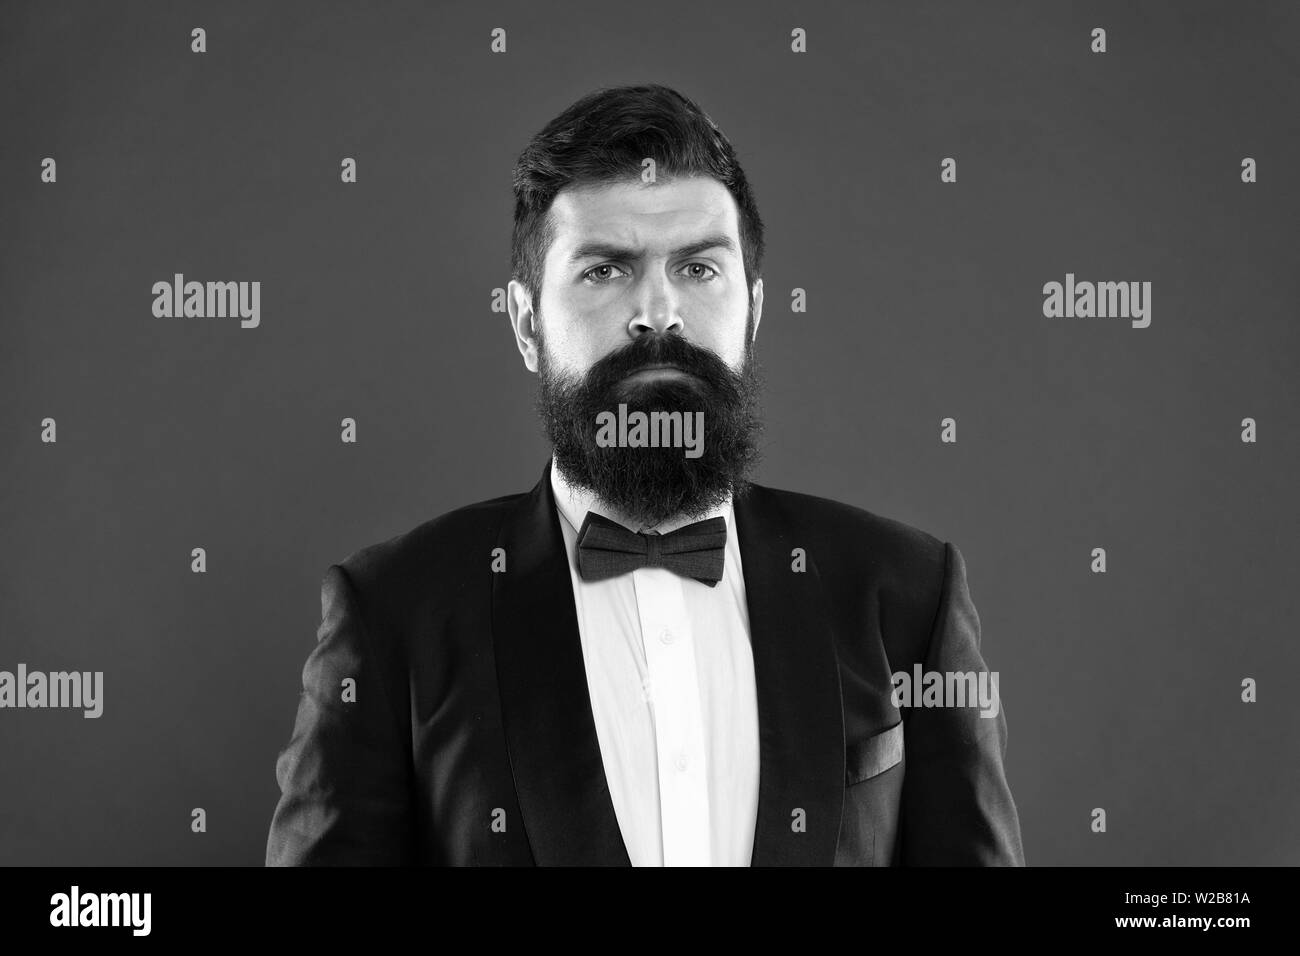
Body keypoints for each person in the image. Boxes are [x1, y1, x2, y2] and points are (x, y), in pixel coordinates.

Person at [265, 83, 1025, 866]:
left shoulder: (910, 596)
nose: (658, 313)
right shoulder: (391, 614)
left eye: (698, 268)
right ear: (526, 325)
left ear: (754, 314)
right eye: (605, 270)